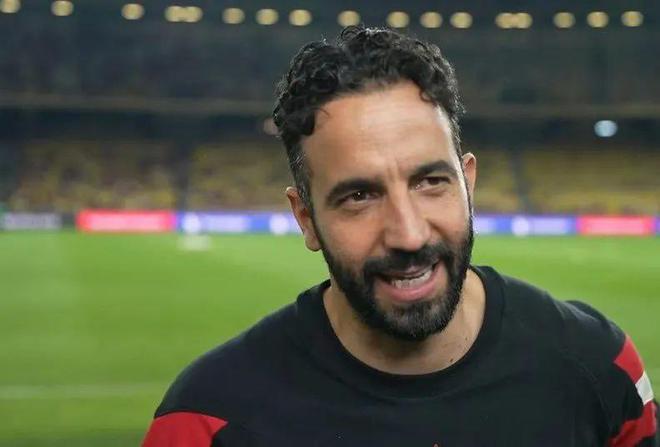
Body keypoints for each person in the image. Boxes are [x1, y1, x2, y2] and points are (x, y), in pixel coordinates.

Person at [142, 26, 658, 446]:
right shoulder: (208, 422)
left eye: (430, 182)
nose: (409, 236)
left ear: (468, 184)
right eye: (359, 196)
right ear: (306, 218)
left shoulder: (600, 367)